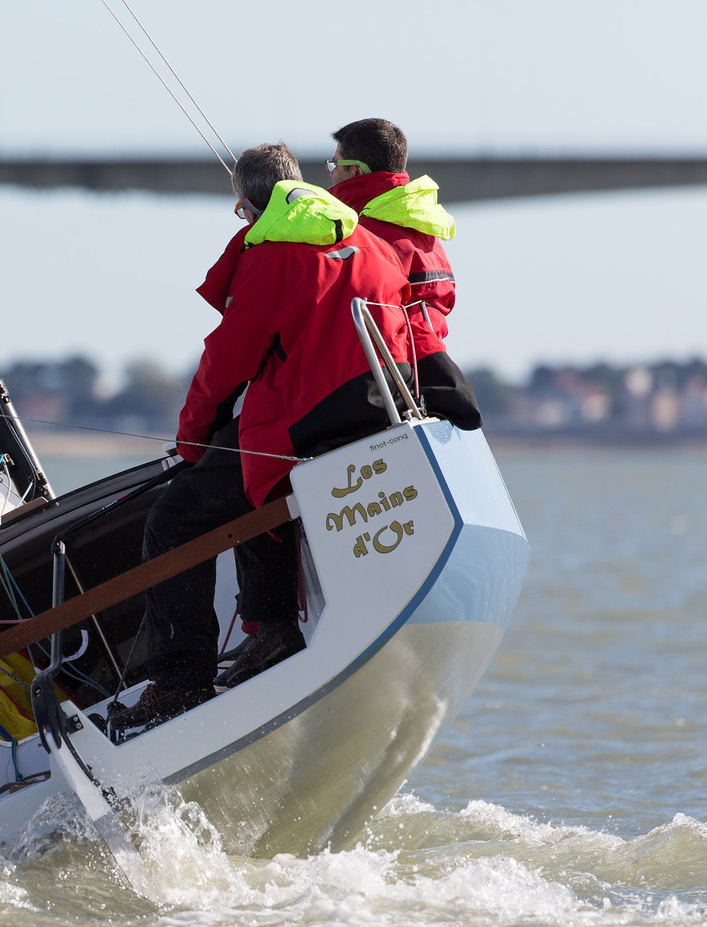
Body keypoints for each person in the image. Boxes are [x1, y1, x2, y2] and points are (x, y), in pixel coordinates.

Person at [123, 143, 414, 728]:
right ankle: (274, 631)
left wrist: (191, 440)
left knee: (176, 518)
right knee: (246, 477)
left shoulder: (273, 254)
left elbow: (225, 362)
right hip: (380, 416)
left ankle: (180, 683)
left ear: (252, 207)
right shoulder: (371, 241)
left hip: (305, 427)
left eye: (240, 213)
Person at [327, 118, 481, 429]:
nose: (331, 173)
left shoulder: (364, 237)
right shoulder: (426, 230)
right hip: (429, 382)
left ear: (355, 171)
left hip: (385, 385)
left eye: (335, 163)